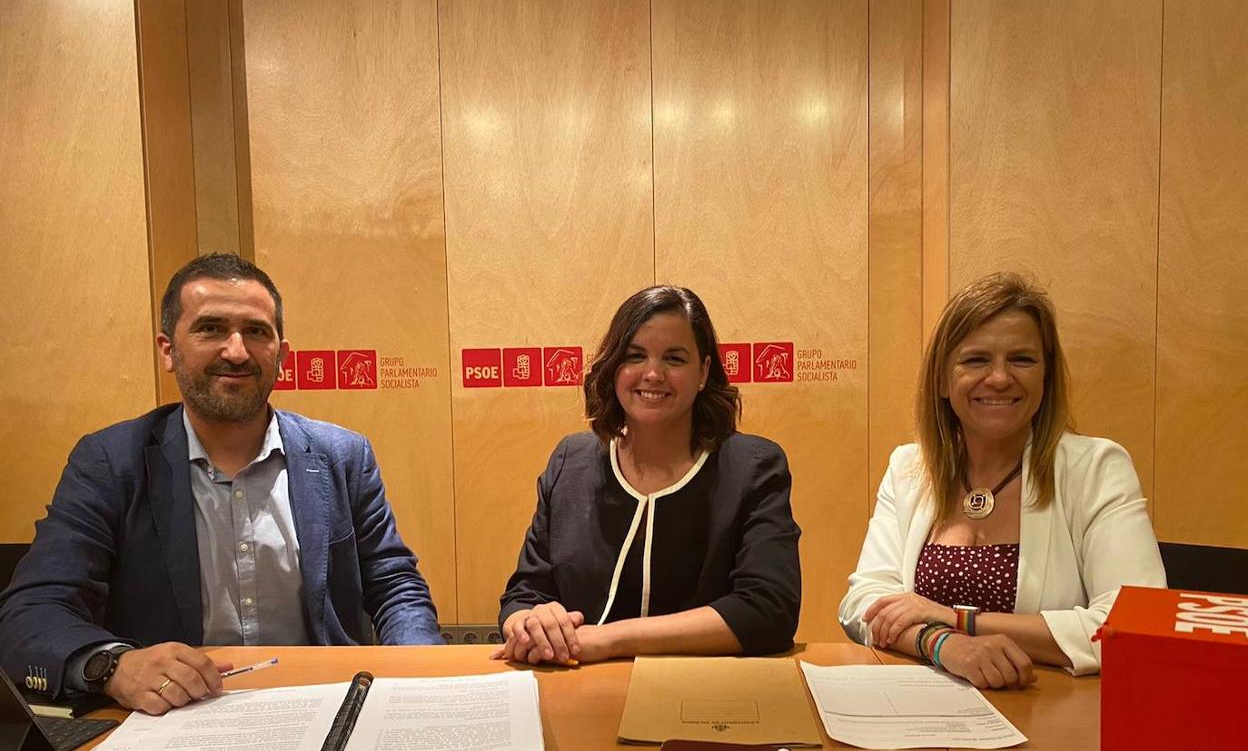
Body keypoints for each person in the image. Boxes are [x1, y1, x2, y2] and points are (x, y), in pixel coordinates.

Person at [0, 253, 441, 715]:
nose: (236, 351)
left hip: (327, 706)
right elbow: (33, 612)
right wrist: (114, 667)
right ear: (168, 350)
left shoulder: (342, 455)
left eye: (256, 331)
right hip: (171, 719)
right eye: (210, 329)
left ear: (282, 355)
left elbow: (395, 587)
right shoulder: (110, 461)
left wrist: (425, 678)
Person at [839, 272, 1165, 688]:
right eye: (976, 360)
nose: (998, 377)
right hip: (922, 711)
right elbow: (863, 603)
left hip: (1049, 712)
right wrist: (943, 644)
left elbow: (1134, 629)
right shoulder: (908, 468)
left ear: (1046, 377)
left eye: (1021, 359)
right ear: (942, 379)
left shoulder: (1097, 468)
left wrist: (957, 619)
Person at [495, 286, 801, 665]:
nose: (653, 374)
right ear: (612, 367)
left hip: (705, 698)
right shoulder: (571, 461)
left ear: (704, 371)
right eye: (635, 356)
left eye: (674, 358)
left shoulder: (752, 466)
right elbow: (524, 593)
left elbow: (767, 611)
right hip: (578, 687)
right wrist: (530, 623)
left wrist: (607, 641)